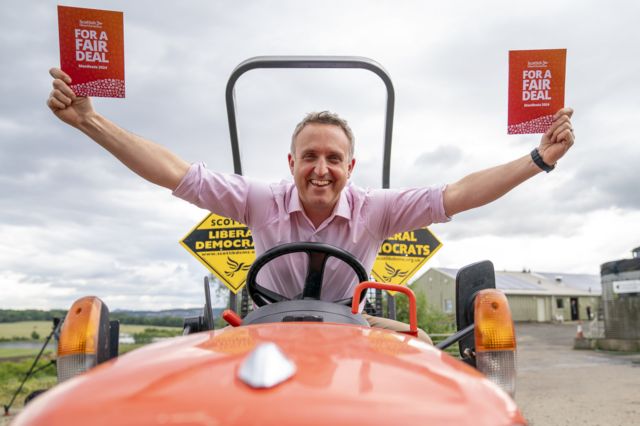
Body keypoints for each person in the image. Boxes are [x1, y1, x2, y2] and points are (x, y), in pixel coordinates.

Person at [47, 68, 575, 344]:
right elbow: (176, 174)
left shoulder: (377, 209)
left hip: (353, 329)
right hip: (265, 326)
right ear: (291, 162)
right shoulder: (259, 200)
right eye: (310, 157)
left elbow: (456, 195)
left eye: (333, 158)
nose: (321, 168)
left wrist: (538, 158)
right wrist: (90, 121)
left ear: (351, 167)